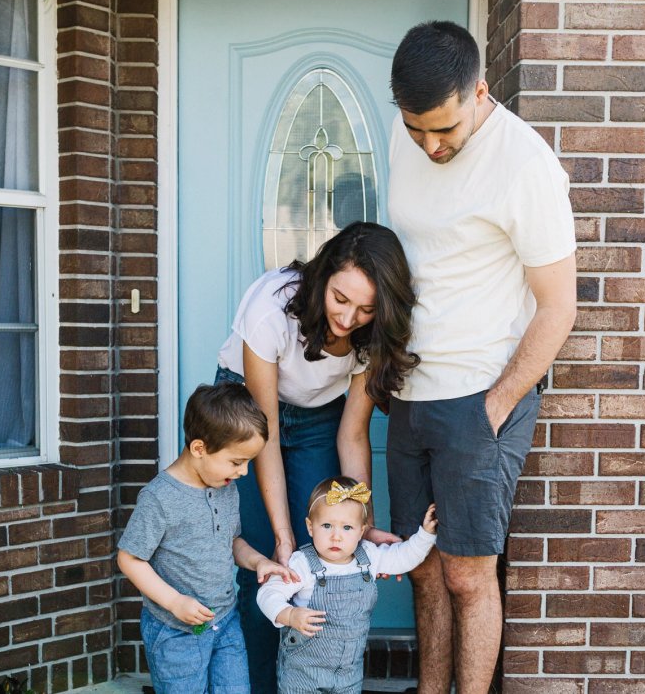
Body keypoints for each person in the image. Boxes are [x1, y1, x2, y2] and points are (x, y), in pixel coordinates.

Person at [386, 21, 578, 694]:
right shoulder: (405, 133)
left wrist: (491, 408)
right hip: (407, 395)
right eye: (416, 129)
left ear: (479, 92)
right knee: (423, 569)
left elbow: (558, 306)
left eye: (444, 129)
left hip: (478, 395)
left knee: (468, 574)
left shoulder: (524, 164)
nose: (431, 145)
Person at [215, 220, 419, 693]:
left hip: (317, 419)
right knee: (269, 557)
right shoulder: (272, 305)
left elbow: (352, 435)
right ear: (322, 278)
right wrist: (284, 537)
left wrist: (362, 520)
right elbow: (262, 435)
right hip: (245, 408)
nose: (348, 320)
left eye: (366, 309)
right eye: (340, 300)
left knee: (320, 547)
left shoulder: (374, 336)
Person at [117, 382, 297, 694]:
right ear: (199, 448)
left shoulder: (225, 487)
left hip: (225, 622)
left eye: (248, 463)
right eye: (236, 461)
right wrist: (174, 602)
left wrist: (259, 562)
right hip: (176, 633)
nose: (243, 472)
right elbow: (130, 559)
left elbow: (231, 541)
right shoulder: (160, 498)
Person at [257, 476, 438, 694]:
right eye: (326, 526)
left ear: (362, 531)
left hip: (348, 674)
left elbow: (404, 558)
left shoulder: (369, 556)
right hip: (303, 672)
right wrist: (288, 614)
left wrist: (425, 535)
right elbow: (268, 593)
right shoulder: (302, 563)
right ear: (310, 527)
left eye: (347, 528)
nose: (336, 537)